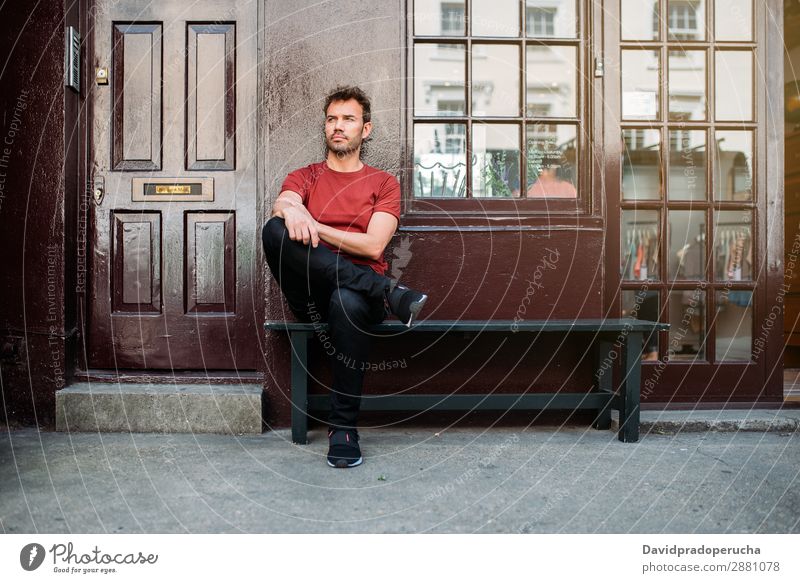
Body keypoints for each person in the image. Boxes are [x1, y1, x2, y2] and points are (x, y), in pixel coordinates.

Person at [262, 86, 428, 469]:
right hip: (309, 294)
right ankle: (389, 291)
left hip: (354, 303)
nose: (338, 127)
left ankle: (343, 429)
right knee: (274, 229)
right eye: (332, 119)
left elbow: (373, 246)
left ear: (365, 130)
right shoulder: (305, 176)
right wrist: (291, 210)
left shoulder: (384, 183)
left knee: (347, 299)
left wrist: (311, 222)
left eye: (348, 119)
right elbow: (284, 203)